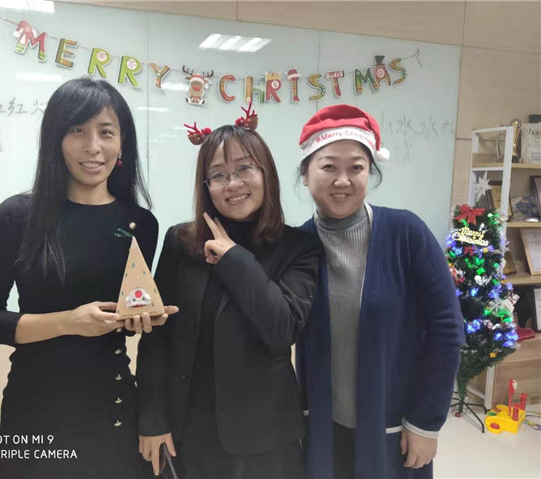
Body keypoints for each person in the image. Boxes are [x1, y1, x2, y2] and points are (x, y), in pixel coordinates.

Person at [0, 77, 176, 478]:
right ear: (56, 139)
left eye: (106, 132)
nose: (93, 146)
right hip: (36, 406)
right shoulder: (18, 217)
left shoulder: (140, 224)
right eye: (77, 130)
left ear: (122, 143)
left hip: (114, 404)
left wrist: (141, 320)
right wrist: (69, 322)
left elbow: (126, 318)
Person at [136, 106, 322, 479]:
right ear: (206, 186)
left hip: (263, 438)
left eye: (244, 169)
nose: (233, 184)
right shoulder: (181, 241)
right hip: (187, 430)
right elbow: (157, 336)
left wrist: (235, 259)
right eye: (218, 175)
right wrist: (152, 417)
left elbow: (281, 329)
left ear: (266, 174)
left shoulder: (299, 247)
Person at [295, 104, 464, 479]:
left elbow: (447, 330)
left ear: (370, 172)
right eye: (328, 167)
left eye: (356, 167)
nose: (343, 180)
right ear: (305, 174)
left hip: (394, 431)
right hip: (322, 432)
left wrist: (426, 423)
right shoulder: (298, 245)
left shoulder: (406, 234)